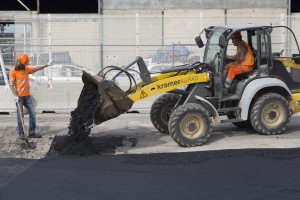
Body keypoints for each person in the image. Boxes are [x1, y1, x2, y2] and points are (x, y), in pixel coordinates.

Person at [9, 53, 54, 140]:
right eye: (26, 62)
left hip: (27, 96)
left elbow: (35, 69)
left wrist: (46, 65)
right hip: (19, 97)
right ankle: (21, 134)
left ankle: (32, 132)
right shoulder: (13, 72)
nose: (27, 64)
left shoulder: (26, 69)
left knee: (32, 113)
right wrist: (15, 95)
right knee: (20, 115)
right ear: (21, 63)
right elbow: (11, 85)